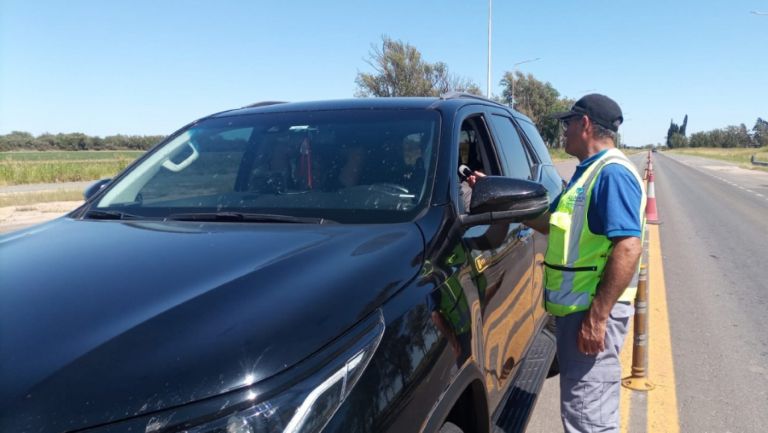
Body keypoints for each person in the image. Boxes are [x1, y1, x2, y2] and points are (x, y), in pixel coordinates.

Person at [525, 94, 646, 433]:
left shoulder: (611, 174)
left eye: (568, 124)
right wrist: (511, 207)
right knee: (583, 412)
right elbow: (554, 224)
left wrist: (597, 316)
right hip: (576, 312)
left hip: (590, 314)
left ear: (586, 124)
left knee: (588, 419)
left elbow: (628, 247)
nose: (563, 132)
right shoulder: (588, 173)